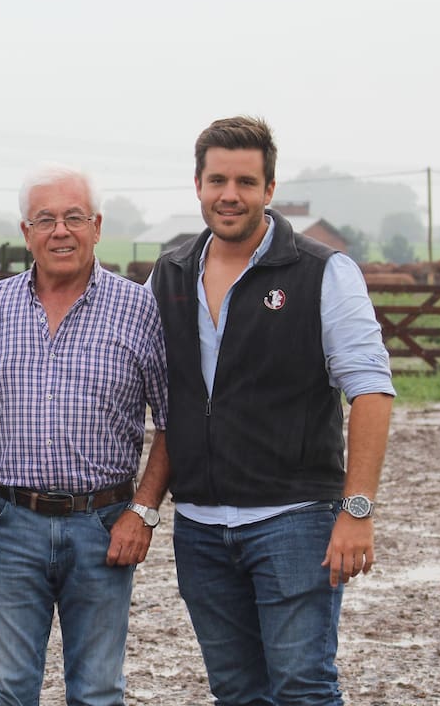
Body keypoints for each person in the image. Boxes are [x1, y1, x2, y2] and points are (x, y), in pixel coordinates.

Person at [150, 116, 395, 706]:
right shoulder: (172, 270)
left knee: (302, 687)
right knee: (235, 691)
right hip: (202, 527)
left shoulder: (323, 272)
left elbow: (370, 390)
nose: (229, 195)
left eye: (245, 182)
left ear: (269, 188)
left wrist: (356, 509)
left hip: (294, 520)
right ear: (198, 184)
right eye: (217, 181)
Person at [0, 165, 169, 706]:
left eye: (74, 217)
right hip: (8, 522)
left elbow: (173, 420)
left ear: (97, 226)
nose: (61, 231)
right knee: (6, 689)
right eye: (45, 219)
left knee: (98, 691)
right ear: (25, 232)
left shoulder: (142, 310)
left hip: (104, 524)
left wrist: (143, 511)